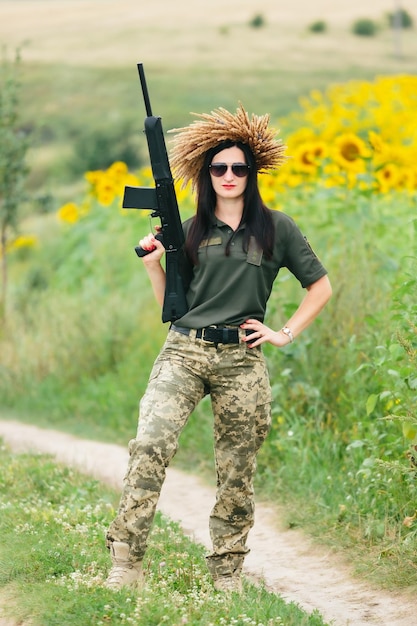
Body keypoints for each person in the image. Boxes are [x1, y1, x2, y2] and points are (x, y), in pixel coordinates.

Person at [104, 104, 332, 593]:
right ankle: (125, 561)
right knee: (150, 444)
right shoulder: (189, 229)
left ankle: (227, 570)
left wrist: (282, 333)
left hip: (242, 359)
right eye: (219, 168)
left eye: (239, 168)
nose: (229, 175)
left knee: (237, 467)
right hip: (184, 351)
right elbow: (173, 306)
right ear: (207, 175)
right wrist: (152, 264)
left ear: (252, 174)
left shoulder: (278, 229)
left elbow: (321, 287)